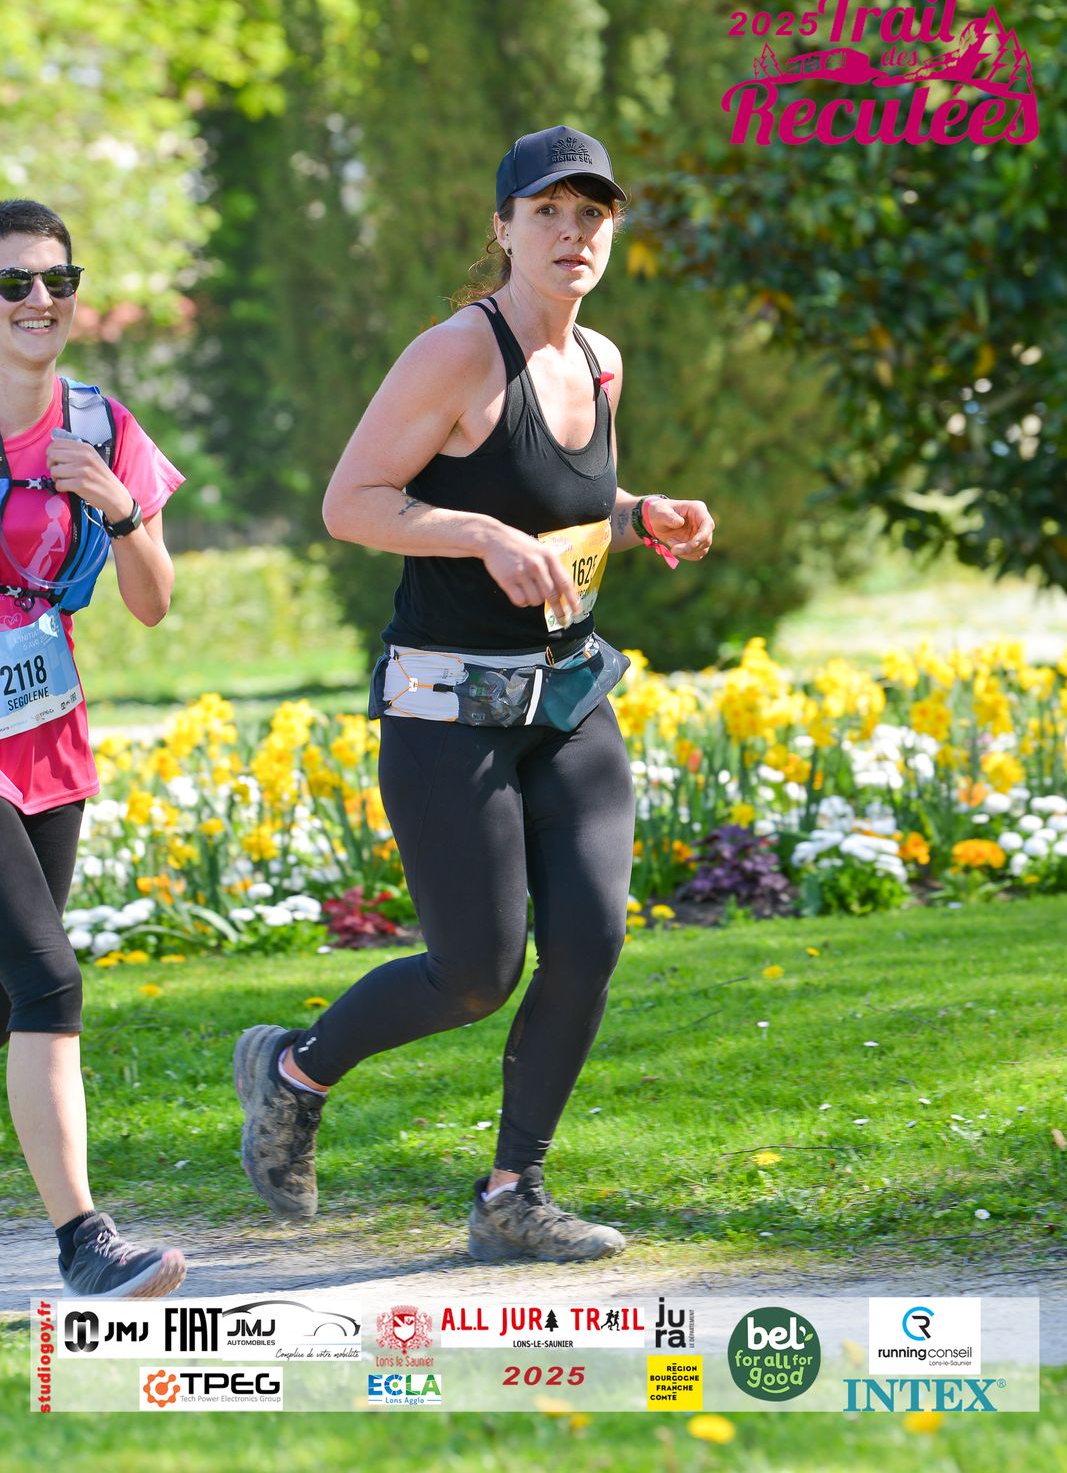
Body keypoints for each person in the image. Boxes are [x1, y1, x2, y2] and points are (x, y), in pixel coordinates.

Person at [234, 126, 714, 1260]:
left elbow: (564, 505)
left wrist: (639, 515)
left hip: (568, 697)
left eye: (591, 214)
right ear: (502, 227)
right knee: (474, 974)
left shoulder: (598, 359)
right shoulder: (457, 352)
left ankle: (512, 1195)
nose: (571, 233)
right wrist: (481, 535)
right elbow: (353, 502)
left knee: (588, 943)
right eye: (546, 212)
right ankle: (294, 1070)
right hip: (447, 707)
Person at [0, 199, 186, 1297]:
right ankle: (84, 1239)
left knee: (11, 997)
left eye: (56, 281)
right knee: (47, 979)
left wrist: (118, 511)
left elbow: (154, 603)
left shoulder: (101, 424)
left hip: (46, 737)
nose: (39, 300)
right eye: (13, 282)